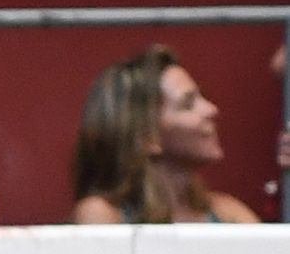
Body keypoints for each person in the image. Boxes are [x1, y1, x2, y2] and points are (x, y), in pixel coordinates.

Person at [70, 46, 261, 226]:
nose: (212, 109)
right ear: (146, 136)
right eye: (188, 104)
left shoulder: (229, 213)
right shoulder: (103, 214)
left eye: (201, 98)